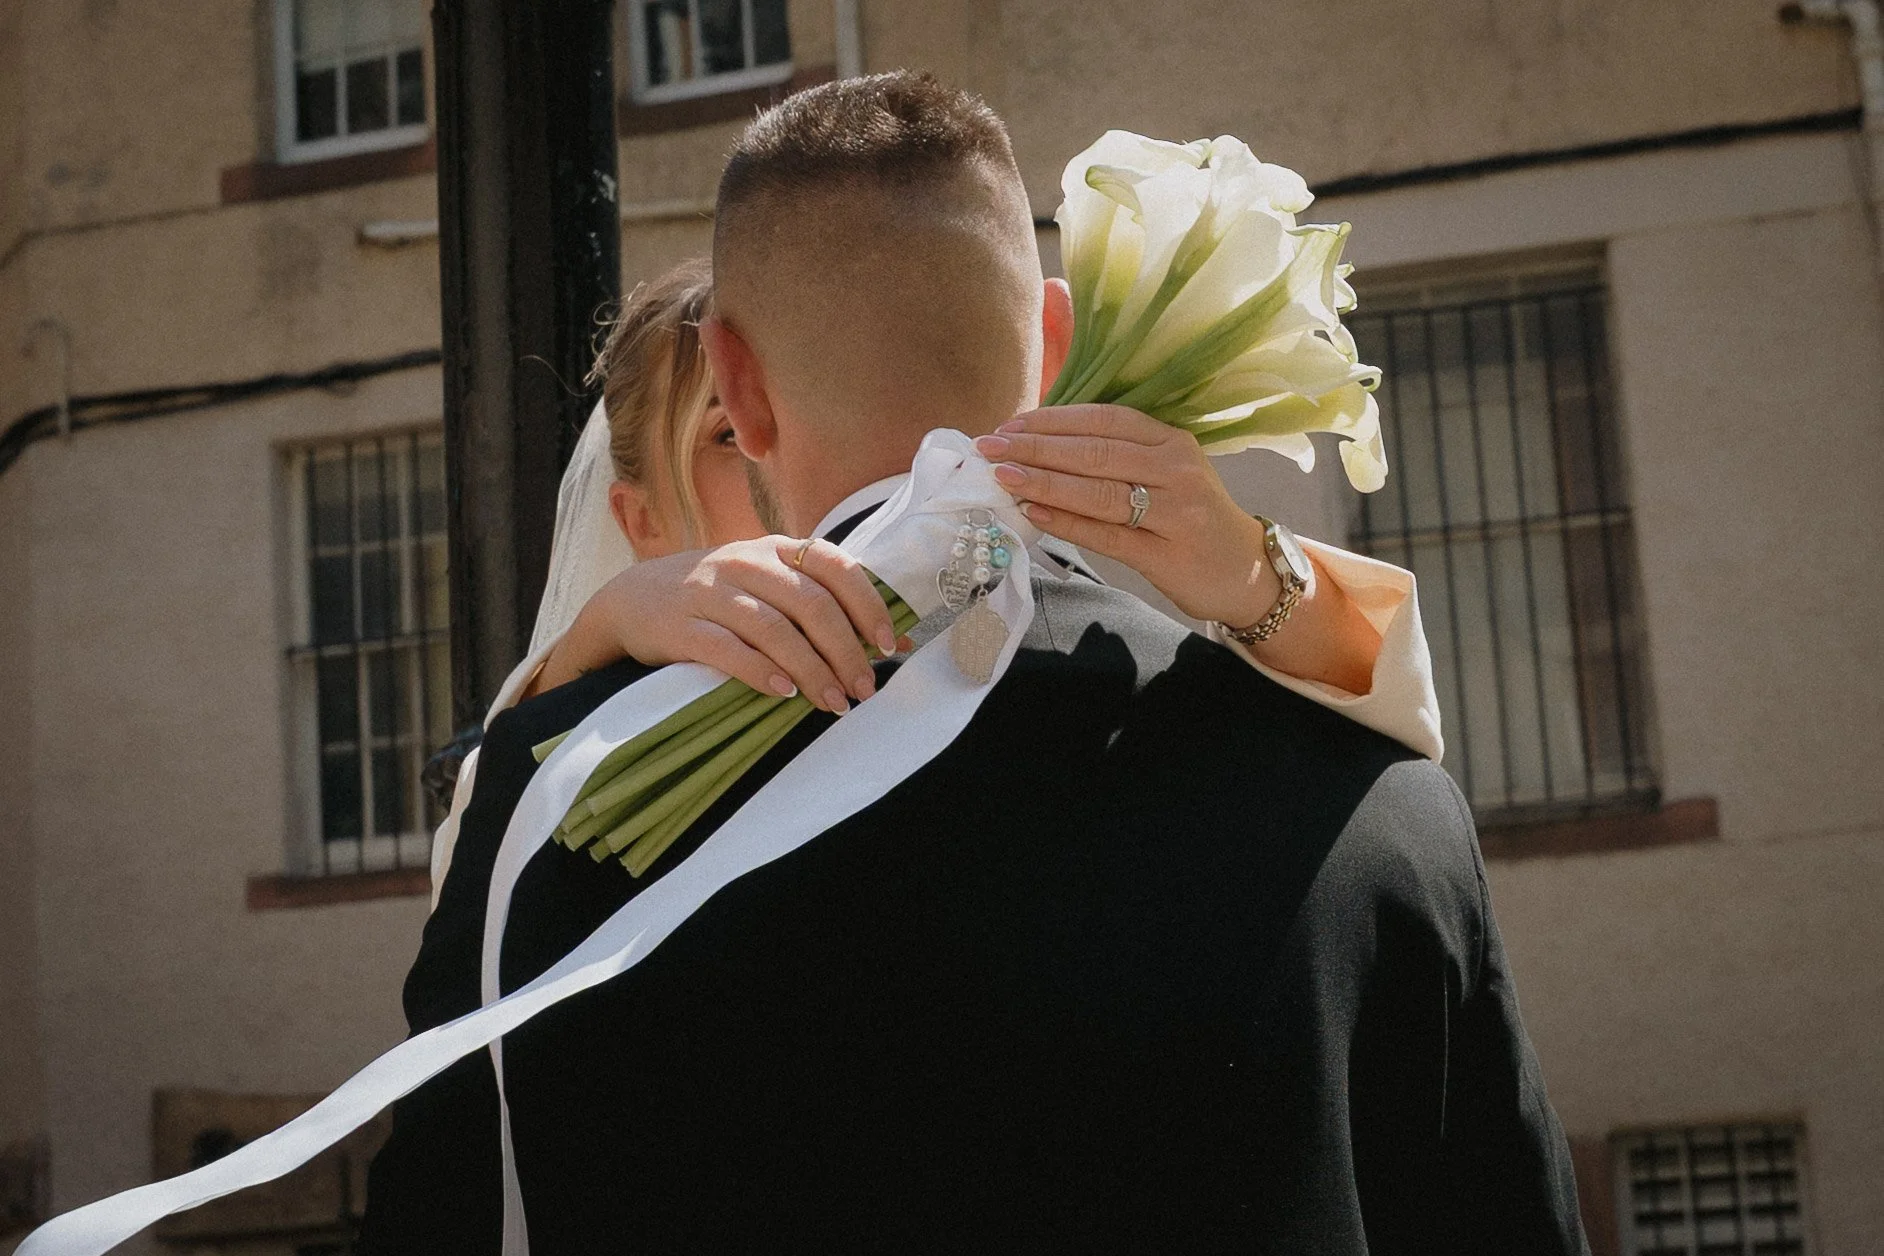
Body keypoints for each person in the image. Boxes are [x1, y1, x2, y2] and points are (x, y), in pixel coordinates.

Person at [361, 73, 1586, 1254]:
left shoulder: (558, 812)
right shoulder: (1384, 819)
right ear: (1053, 340)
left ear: (738, 381)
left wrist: (560, 715)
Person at [427, 259, 1443, 901]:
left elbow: (1383, 767)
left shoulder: (1024, 644)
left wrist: (1252, 571)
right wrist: (599, 632)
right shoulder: (580, 759)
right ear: (641, 519)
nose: (798, 470)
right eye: (733, 437)